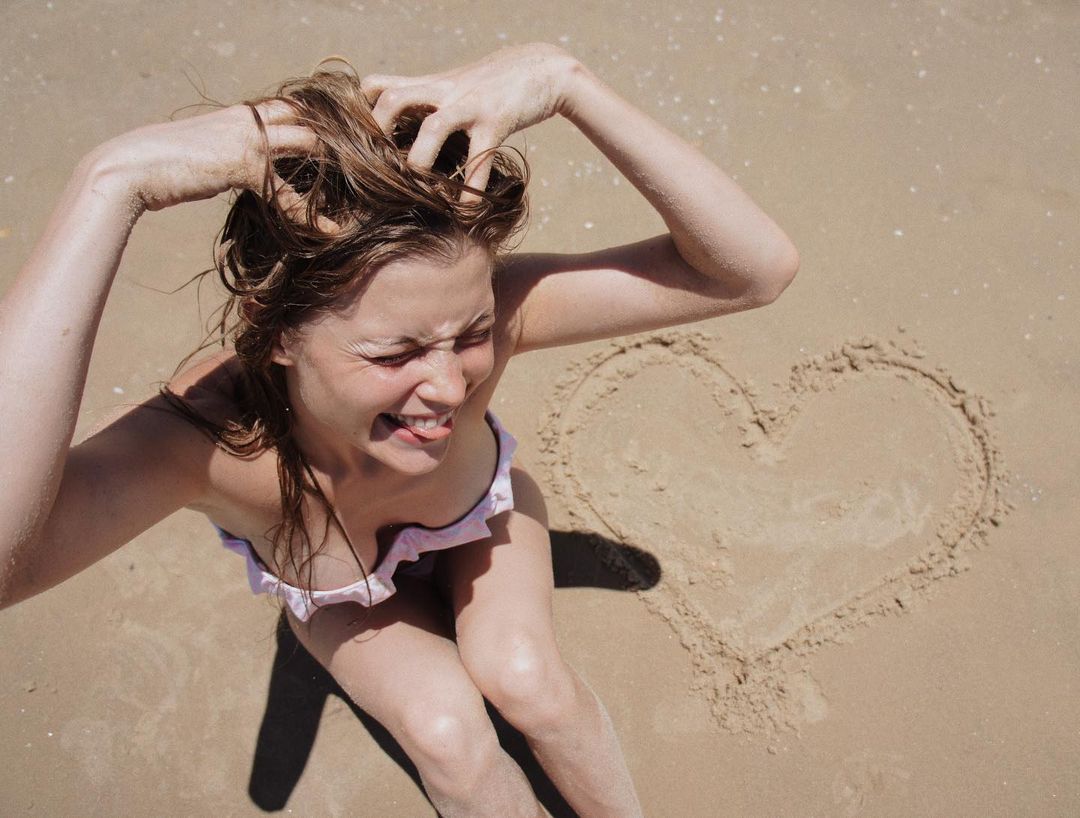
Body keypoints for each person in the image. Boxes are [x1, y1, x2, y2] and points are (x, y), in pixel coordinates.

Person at [0, 43, 797, 817]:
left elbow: (750, 272)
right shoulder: (204, 440)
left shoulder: (501, 312)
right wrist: (112, 180)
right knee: (449, 737)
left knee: (528, 681)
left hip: (481, 520)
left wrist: (566, 80)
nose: (449, 387)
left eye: (471, 332)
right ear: (277, 331)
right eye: (395, 353)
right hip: (341, 596)